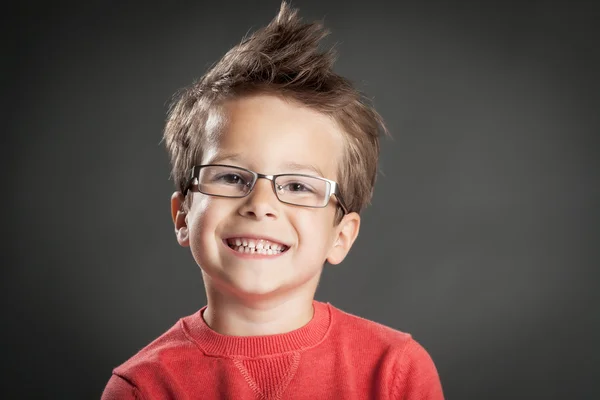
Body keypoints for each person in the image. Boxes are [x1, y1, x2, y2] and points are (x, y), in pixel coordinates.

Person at [102, 2, 444, 399]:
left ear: (341, 236)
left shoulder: (395, 371)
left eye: (298, 186)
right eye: (231, 177)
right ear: (183, 216)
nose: (261, 204)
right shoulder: (143, 388)